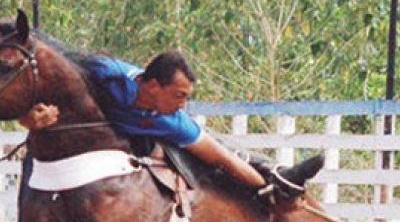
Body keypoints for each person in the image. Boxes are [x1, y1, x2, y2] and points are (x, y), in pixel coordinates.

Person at [22, 50, 319, 204]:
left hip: (140, 147)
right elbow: (47, 78)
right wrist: (31, 118)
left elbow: (222, 158)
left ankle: (276, 175)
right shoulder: (105, 72)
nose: (183, 104)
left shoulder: (174, 121)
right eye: (179, 96)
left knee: (215, 161)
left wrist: (263, 187)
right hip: (80, 153)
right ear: (152, 86)